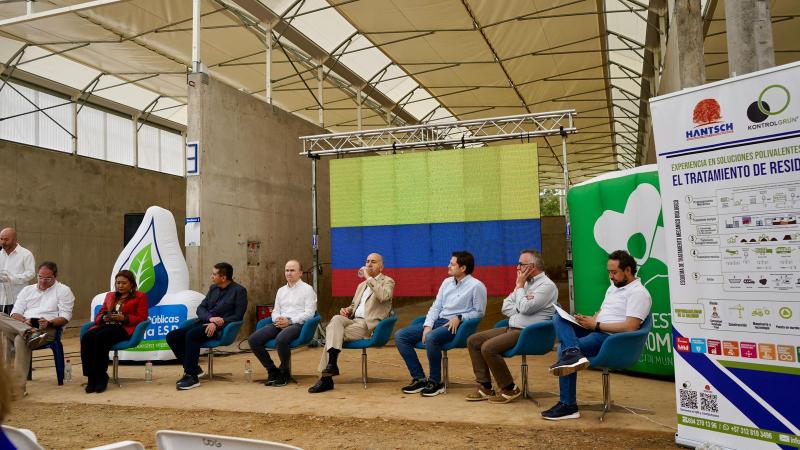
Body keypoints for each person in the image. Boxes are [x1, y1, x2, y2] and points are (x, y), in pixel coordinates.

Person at [541, 250, 652, 420]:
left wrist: (597, 325)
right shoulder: (613, 287)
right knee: (559, 317)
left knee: (563, 350)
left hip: (610, 338)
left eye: (614, 272)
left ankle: (568, 405)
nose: (611, 276)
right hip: (596, 328)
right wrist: (590, 320)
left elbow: (631, 327)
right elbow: (604, 311)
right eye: (609, 272)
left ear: (628, 270)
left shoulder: (639, 293)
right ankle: (573, 352)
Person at [465, 250, 557, 404]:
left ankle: (509, 388)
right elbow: (505, 306)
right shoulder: (526, 283)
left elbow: (526, 309)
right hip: (512, 327)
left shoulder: (547, 286)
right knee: (474, 340)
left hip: (529, 332)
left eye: (521, 264)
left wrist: (520, 289)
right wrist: (521, 304)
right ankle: (486, 386)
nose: (517, 267)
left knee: (488, 347)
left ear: (532, 266)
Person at [395, 251, 487, 397]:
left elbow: (479, 312)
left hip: (458, 327)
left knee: (431, 337)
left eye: (452, 264)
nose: (448, 266)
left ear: (463, 268)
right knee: (401, 336)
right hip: (439, 322)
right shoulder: (446, 282)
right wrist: (427, 325)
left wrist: (460, 317)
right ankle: (419, 378)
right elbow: (436, 307)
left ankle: (435, 382)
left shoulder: (476, 286)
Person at [308, 253, 394, 394]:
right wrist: (347, 310)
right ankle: (332, 365)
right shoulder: (361, 285)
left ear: (381, 266)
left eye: (373, 262)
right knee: (336, 319)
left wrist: (368, 278)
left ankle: (326, 379)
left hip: (367, 324)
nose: (369, 264)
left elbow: (384, 296)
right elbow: (354, 305)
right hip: (353, 320)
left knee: (332, 335)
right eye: (367, 261)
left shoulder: (388, 281)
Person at [167, 262, 247, 390]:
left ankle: (192, 377)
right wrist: (210, 318)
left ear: (223, 277)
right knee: (172, 336)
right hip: (203, 322)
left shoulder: (239, 291)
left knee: (192, 335)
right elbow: (201, 308)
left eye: (214, 274)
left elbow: (238, 315)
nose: (212, 276)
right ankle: (195, 369)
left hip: (222, 328)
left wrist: (216, 323)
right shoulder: (213, 288)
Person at [0, 261, 74, 395]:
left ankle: (17, 389)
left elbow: (65, 316)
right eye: (40, 277)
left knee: (19, 339)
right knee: (2, 317)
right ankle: (28, 332)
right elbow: (15, 313)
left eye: (47, 278)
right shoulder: (27, 290)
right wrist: (24, 321)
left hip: (47, 329)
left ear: (55, 277)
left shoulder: (63, 290)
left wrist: (49, 322)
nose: (43, 281)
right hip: (25, 325)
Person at [248, 260, 316, 387]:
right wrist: (278, 319)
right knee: (254, 339)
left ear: (300, 273)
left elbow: (310, 314)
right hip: (280, 323)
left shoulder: (307, 289)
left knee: (281, 339)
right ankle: (272, 370)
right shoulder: (281, 290)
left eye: (292, 270)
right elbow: (275, 310)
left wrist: (289, 321)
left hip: (298, 324)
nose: (289, 273)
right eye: (287, 270)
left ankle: (284, 372)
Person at [80, 269, 148, 394]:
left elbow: (142, 318)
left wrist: (125, 318)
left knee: (100, 338)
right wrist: (103, 317)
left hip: (123, 328)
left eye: (124, 283)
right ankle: (91, 377)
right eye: (118, 283)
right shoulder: (110, 296)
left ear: (131, 284)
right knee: (87, 337)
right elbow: (100, 314)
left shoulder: (140, 296)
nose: (120, 286)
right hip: (107, 324)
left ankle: (101, 376)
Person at [0, 228, 35, 315]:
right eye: (1, 239)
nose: (3, 242)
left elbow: (31, 273)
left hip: (17, 299)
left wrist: (11, 279)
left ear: (15, 240)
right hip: (1, 298)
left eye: (6, 239)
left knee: (15, 326)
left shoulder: (26, 254)